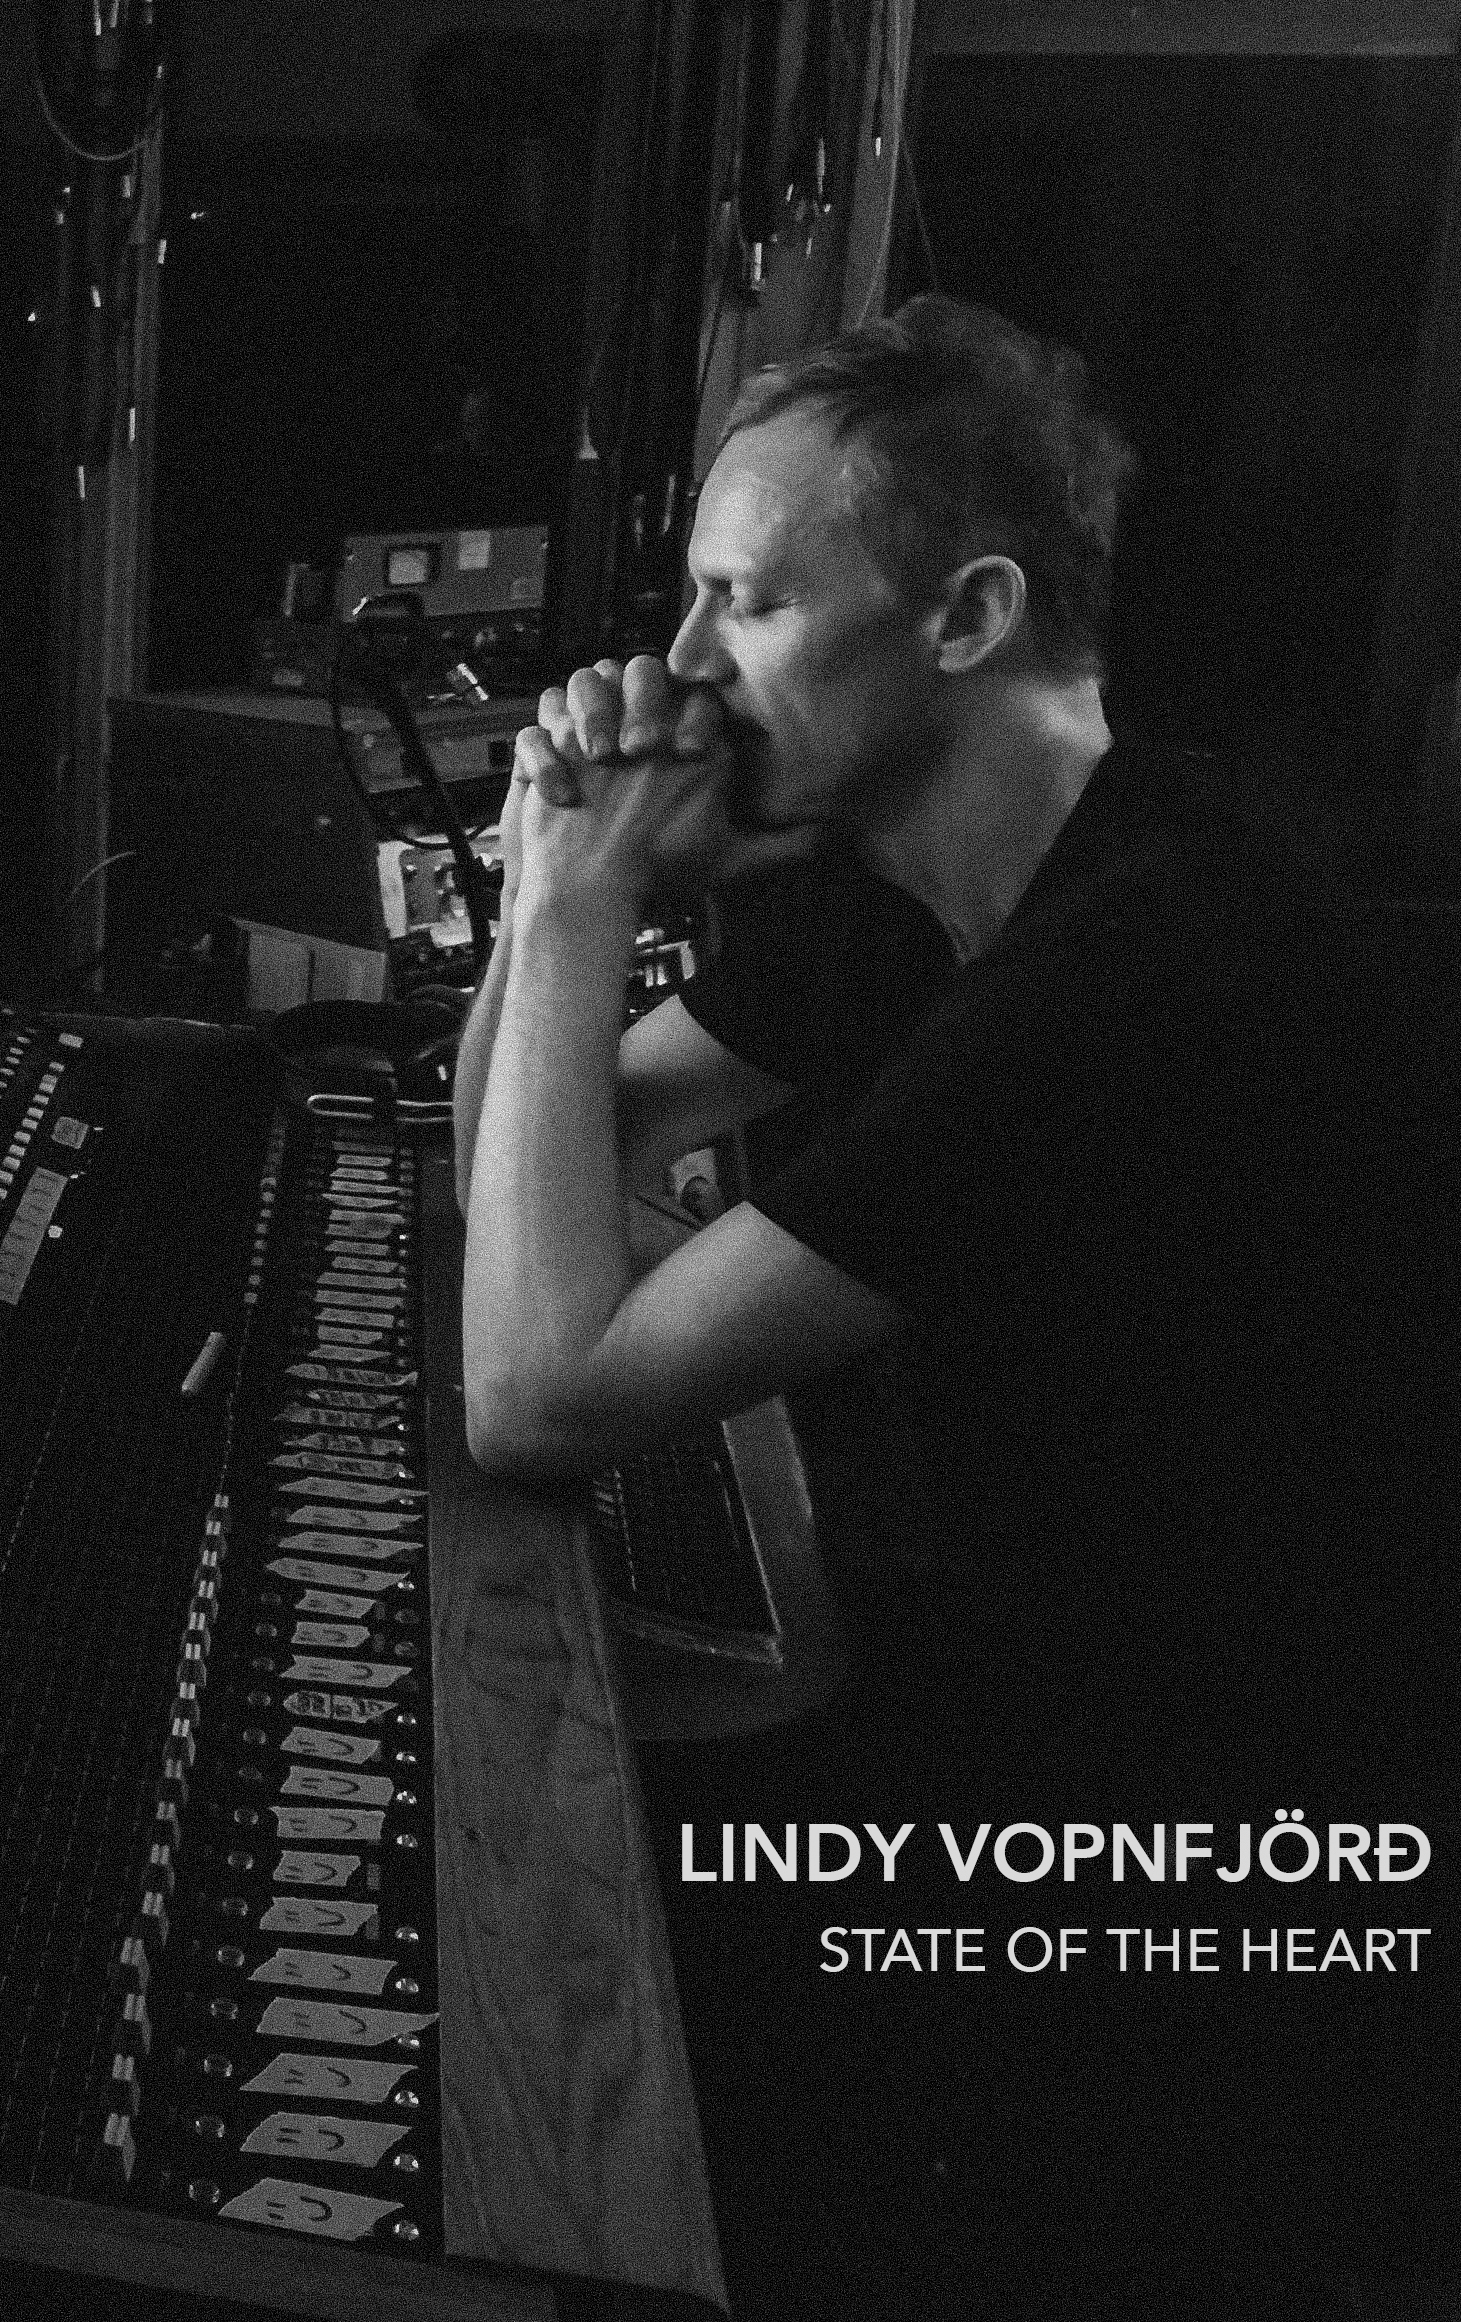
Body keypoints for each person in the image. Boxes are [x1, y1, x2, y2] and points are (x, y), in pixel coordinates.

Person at [453, 294, 1451, 2314]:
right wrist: (560, 894)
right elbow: (518, 1168)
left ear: (968, 617)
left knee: (584, 1982)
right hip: (1067, 1729)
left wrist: (575, 901)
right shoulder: (908, 880)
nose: (681, 668)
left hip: (1243, 1880)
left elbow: (539, 1392)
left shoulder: (1144, 967)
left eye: (748, 603)